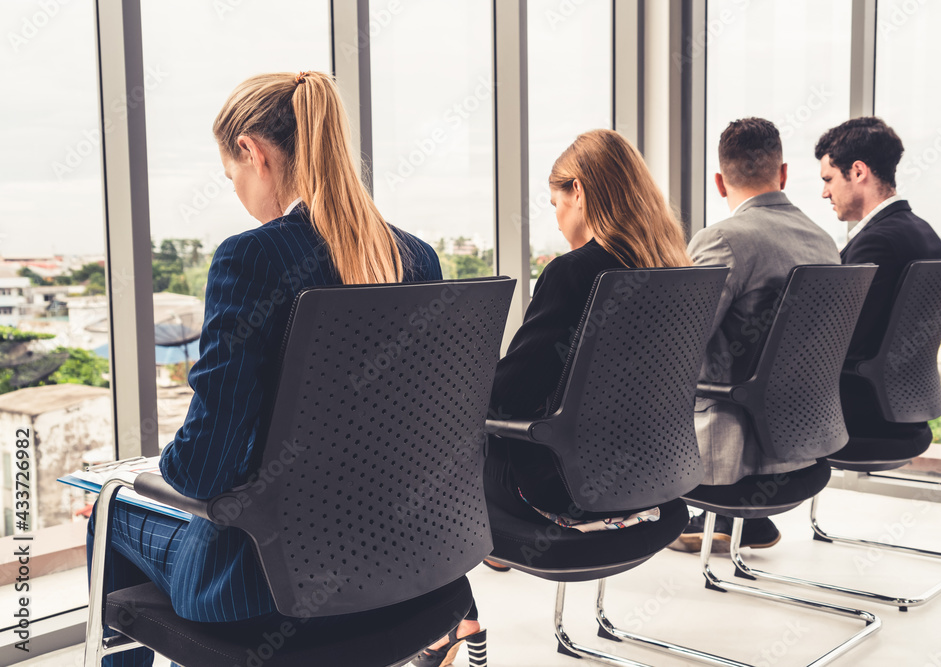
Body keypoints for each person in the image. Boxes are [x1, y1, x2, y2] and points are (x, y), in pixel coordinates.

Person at [86, 71, 441, 667]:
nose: (237, 193)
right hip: (399, 562)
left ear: (252, 152)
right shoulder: (416, 258)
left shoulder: (250, 257)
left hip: (260, 585)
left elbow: (204, 470)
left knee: (112, 507)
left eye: (232, 177)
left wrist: (157, 471)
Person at [415, 129, 690, 667]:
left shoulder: (573, 274)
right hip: (647, 482)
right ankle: (471, 588)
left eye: (556, 203)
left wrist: (452, 391)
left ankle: (451, 621)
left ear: (580, 191)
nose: (557, 219)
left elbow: (507, 397)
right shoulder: (676, 274)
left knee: (427, 459)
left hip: (559, 490)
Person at [669, 118, 841, 554]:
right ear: (782, 173)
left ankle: (623, 524)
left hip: (732, 461)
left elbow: (675, 348)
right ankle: (743, 523)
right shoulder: (824, 242)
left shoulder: (723, 240)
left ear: (719, 183)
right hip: (804, 447)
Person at [815, 116, 941, 443]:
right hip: (905, 410)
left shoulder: (877, 243)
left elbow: (843, 343)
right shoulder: (924, 233)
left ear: (858, 172)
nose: (824, 193)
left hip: (861, 415)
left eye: (829, 179)